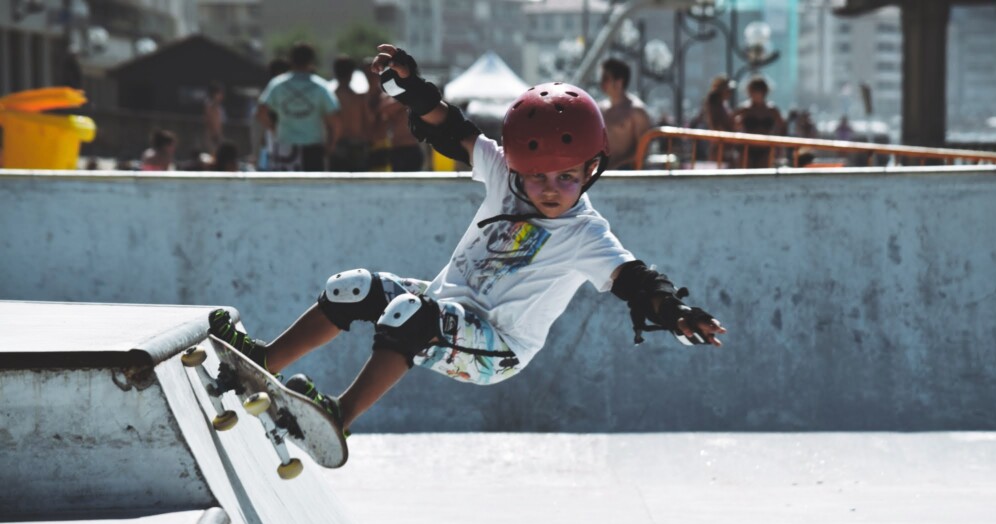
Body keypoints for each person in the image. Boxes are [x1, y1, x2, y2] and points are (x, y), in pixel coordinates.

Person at [207, 43, 726, 439]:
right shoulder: (502, 172)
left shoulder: (586, 234)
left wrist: (674, 313)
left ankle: (337, 418)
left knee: (410, 315)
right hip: (443, 306)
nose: (549, 190)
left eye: (566, 178)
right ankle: (263, 363)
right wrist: (409, 89)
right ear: (516, 164)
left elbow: (634, 279)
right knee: (353, 288)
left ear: (591, 170)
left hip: (497, 348)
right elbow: (451, 129)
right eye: (535, 176)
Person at [257, 43, 340, 172]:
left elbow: (261, 112)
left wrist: (274, 129)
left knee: (284, 189)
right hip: (312, 149)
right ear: (312, 61)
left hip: (285, 147)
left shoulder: (277, 84)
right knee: (312, 190)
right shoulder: (321, 87)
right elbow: (335, 120)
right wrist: (331, 145)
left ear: (291, 60)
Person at [598, 58, 653, 170]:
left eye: (606, 78)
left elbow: (643, 150)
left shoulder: (636, 111)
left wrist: (616, 167)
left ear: (619, 82)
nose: (602, 82)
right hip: (601, 175)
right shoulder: (600, 109)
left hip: (626, 176)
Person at [329, 56, 373, 172]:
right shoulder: (359, 99)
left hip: (336, 147)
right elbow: (368, 122)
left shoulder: (330, 98)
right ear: (351, 74)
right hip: (357, 146)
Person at [732, 76, 786, 168]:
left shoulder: (772, 110)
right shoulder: (744, 109)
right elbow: (733, 127)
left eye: (759, 91)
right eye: (754, 91)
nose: (756, 95)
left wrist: (778, 148)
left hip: (766, 149)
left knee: (763, 176)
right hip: (747, 148)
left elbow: (782, 128)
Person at [703, 75, 735, 166]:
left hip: (726, 145)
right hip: (720, 145)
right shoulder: (714, 105)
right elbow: (716, 125)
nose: (730, 93)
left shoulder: (723, 105)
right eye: (728, 90)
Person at [204, 81, 226, 154]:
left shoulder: (218, 107)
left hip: (217, 136)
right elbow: (211, 122)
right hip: (212, 137)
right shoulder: (211, 106)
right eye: (219, 93)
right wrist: (216, 136)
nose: (221, 96)